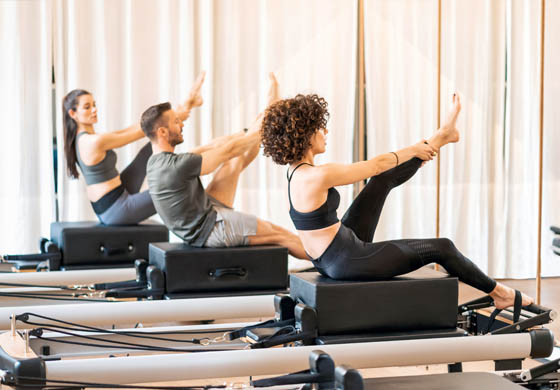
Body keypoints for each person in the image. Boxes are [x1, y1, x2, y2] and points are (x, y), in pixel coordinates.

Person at [261, 92, 533, 310]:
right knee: (443, 248)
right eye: (320, 128)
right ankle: (501, 293)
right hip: (347, 260)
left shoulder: (294, 173)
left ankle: (441, 136)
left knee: (380, 183)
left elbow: (379, 174)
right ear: (306, 134)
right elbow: (376, 164)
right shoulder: (318, 175)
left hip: (334, 251)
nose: (326, 132)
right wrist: (414, 149)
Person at [142, 74, 307, 259]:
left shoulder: (157, 162)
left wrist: (254, 126)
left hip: (202, 217)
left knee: (234, 161)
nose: (181, 124)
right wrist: (272, 113)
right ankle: (330, 265)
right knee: (281, 235)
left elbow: (215, 145)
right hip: (208, 230)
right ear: (162, 132)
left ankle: (268, 110)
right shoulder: (178, 165)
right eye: (176, 121)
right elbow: (230, 149)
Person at [61, 73, 205, 225]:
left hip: (117, 193)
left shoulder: (88, 138)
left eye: (94, 105)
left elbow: (127, 131)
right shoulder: (92, 142)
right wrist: (181, 111)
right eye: (87, 107)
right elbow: (140, 131)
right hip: (115, 209)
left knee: (152, 144)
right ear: (73, 114)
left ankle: (187, 108)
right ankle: (206, 223)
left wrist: (180, 112)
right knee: (174, 184)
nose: (94, 110)